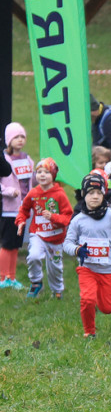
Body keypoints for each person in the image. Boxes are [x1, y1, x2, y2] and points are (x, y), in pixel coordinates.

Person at [64, 173, 111, 338]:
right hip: (87, 269)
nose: (95, 196)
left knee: (108, 308)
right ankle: (89, 332)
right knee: (87, 300)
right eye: (91, 193)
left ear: (104, 195)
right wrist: (77, 250)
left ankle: (99, 297)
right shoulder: (78, 220)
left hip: (108, 270)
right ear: (84, 195)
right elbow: (67, 243)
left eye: (99, 193)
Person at [15, 158, 74, 299]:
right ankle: (36, 283)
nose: (42, 175)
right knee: (34, 256)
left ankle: (57, 291)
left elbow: (67, 216)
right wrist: (21, 221)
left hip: (56, 238)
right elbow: (24, 209)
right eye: (39, 171)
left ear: (53, 175)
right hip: (38, 234)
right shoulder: (33, 193)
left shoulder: (59, 194)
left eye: (46, 172)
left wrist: (53, 217)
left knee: (55, 267)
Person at [2, 123, 33, 288]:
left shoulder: (27, 159)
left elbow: (33, 179)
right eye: (16, 137)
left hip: (23, 209)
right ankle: (1, 278)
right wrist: (8, 191)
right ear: (8, 140)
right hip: (8, 210)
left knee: (15, 245)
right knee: (7, 244)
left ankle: (11, 278)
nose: (20, 140)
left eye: (22, 137)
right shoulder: (3, 160)